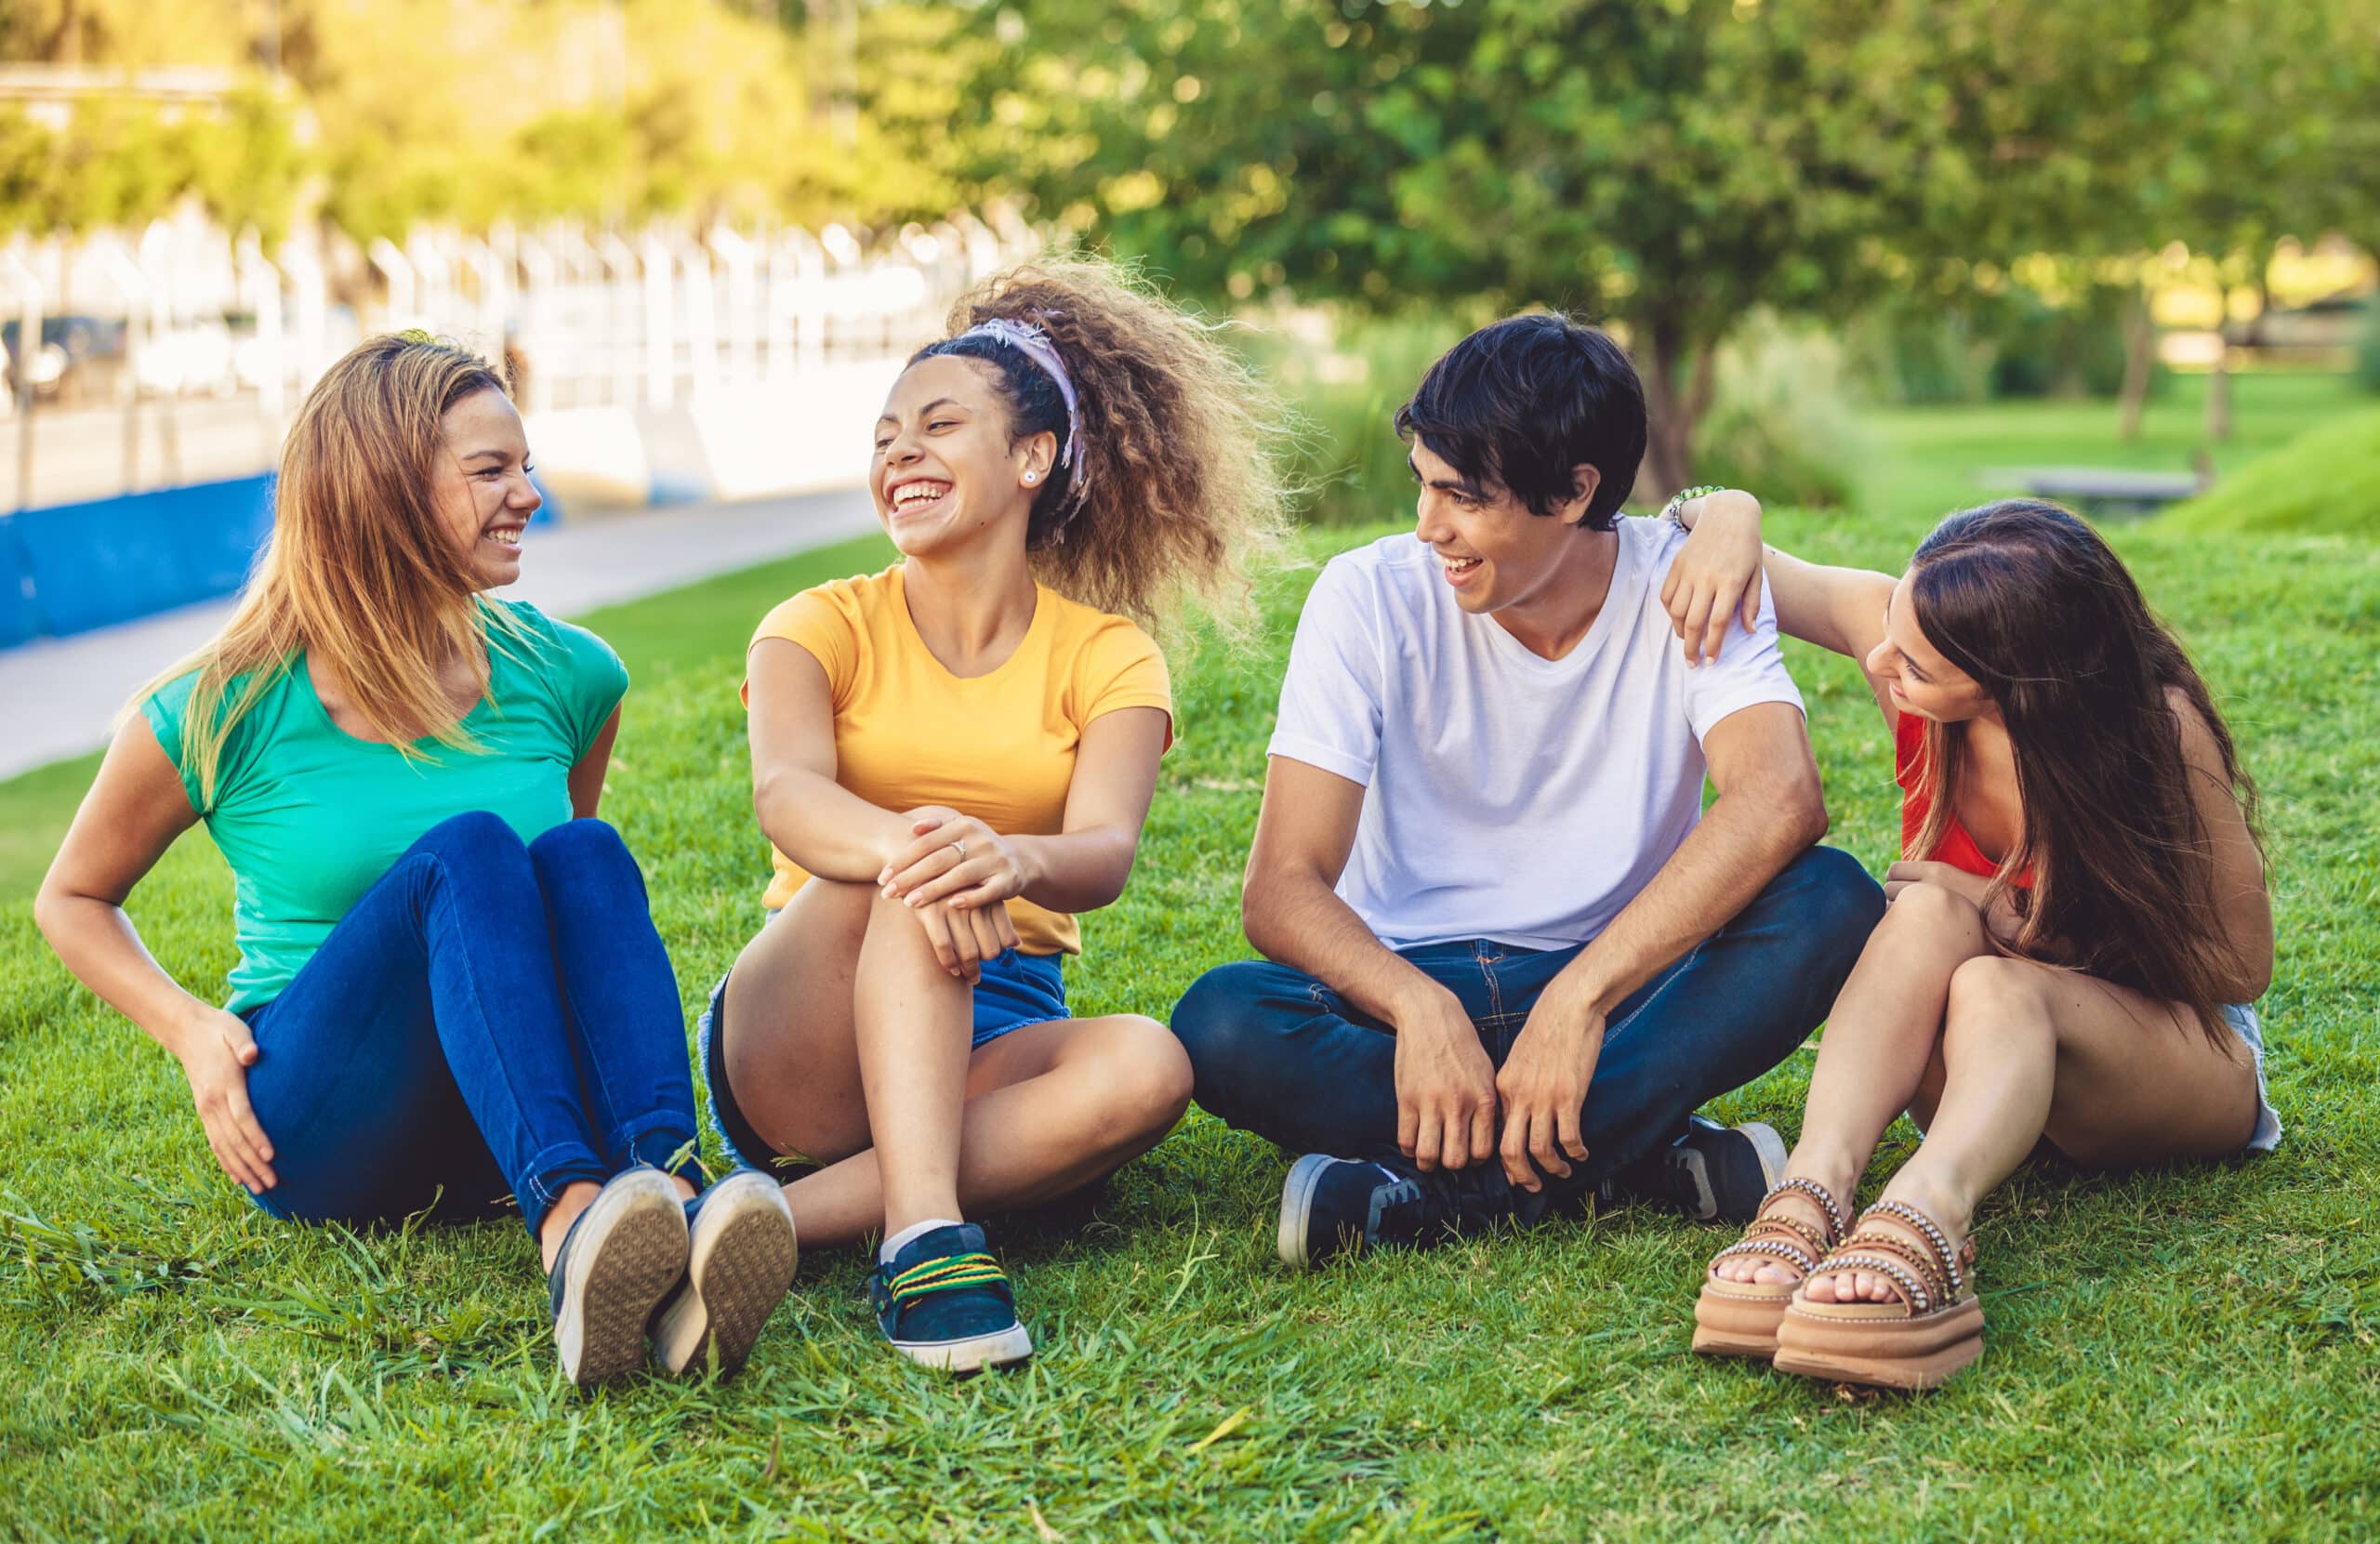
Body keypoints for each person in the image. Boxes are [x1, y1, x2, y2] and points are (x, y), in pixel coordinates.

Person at [33, 334, 796, 1390]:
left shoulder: (571, 673)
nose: (529, 494)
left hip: (494, 1116)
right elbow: (71, 897)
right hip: (322, 1124)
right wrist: (193, 1032)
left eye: (525, 465)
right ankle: (574, 1228)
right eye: (492, 471)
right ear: (381, 488)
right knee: (468, 853)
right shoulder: (221, 706)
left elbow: (562, 926)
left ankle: (668, 1194)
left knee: (579, 850)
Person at [1169, 314, 1885, 1269]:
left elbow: (1779, 798)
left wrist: (1580, 999)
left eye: (1463, 498)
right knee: (1222, 1023)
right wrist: (1419, 1009)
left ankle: (1434, 1193)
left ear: (1574, 490)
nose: (1430, 527)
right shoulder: (1367, 595)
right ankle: (1632, 1153)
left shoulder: (1689, 582)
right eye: (1422, 484)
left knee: (1832, 901)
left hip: (1623, 980)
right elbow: (1282, 887)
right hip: (1409, 985)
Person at [700, 261, 1292, 1372]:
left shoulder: (1109, 653)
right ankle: (924, 1239)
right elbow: (786, 796)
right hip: (807, 1018)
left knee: (1153, 1067)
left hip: (1002, 1013)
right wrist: (930, 852)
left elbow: (1103, 853)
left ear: (1033, 458)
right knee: (912, 869)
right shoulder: (813, 623)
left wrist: (1006, 858)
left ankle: (763, 1222)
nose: (899, 453)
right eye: (885, 436)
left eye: (937, 425)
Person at [1675, 496, 2277, 1390]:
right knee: (1924, 917)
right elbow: (1747, 558)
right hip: (1982, 1075)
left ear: (2012, 683)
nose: (1880, 661)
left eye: (1912, 661)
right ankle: (1814, 1183)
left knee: (1995, 981)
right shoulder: (1917, 659)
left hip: (2162, 1058)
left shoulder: (2156, 730)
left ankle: (1930, 1207)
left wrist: (2008, 909)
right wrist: (1727, 512)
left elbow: (2237, 965)